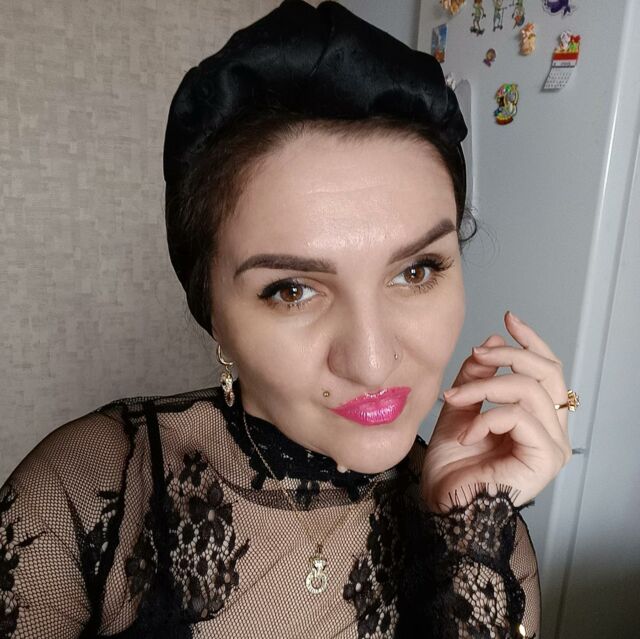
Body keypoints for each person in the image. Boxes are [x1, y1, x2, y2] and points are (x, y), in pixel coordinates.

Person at [0, 1, 577, 637]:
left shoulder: (481, 533)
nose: (372, 362)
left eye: (416, 271)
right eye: (293, 290)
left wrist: (463, 536)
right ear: (211, 311)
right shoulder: (81, 496)